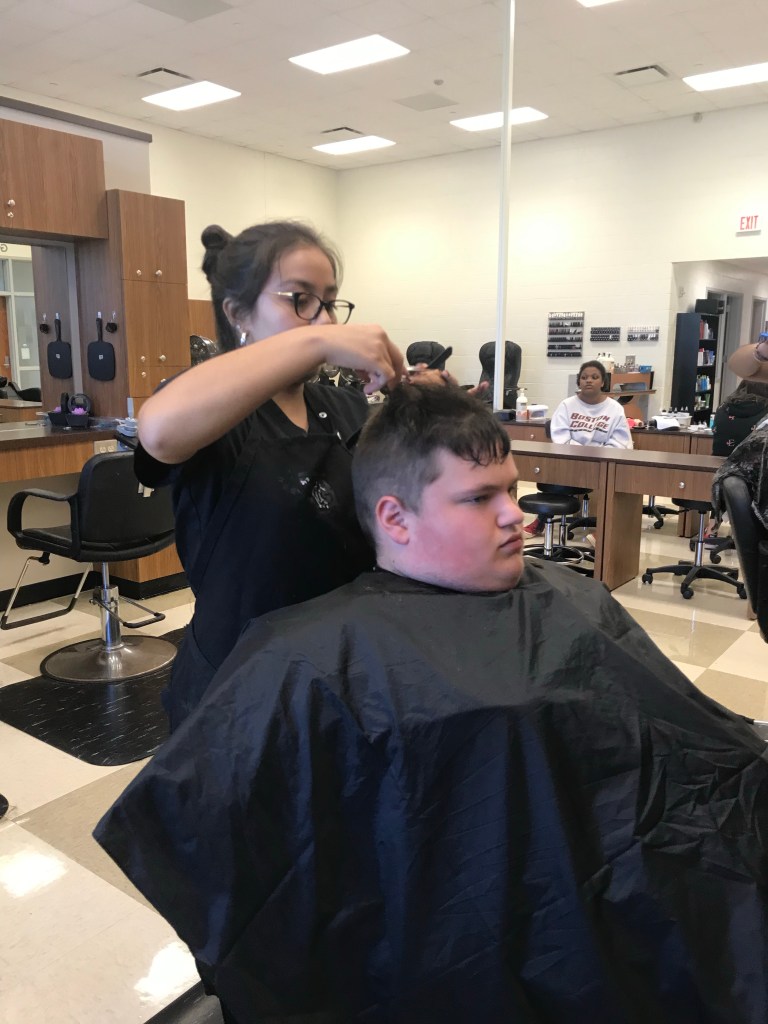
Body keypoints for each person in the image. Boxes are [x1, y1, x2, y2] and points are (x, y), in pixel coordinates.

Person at [96, 384, 768, 1024]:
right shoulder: (308, 661)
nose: (518, 515)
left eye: (511, 490)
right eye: (480, 498)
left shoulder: (571, 596)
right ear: (395, 518)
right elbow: (201, 836)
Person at [135, 220, 405, 729]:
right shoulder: (209, 410)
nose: (325, 319)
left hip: (341, 671)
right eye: (301, 300)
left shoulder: (344, 407)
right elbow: (159, 431)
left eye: (330, 303)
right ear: (237, 313)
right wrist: (317, 340)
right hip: (238, 686)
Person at [524, 359, 632, 536]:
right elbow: (561, 438)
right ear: (579, 382)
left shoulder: (615, 409)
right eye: (584, 377)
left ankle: (605, 532)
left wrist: (596, 455)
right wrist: (583, 453)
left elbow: (620, 443)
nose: (589, 380)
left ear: (603, 382)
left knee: (618, 481)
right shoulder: (567, 405)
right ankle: (542, 520)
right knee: (552, 470)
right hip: (570, 461)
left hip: (602, 464)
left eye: (594, 377)